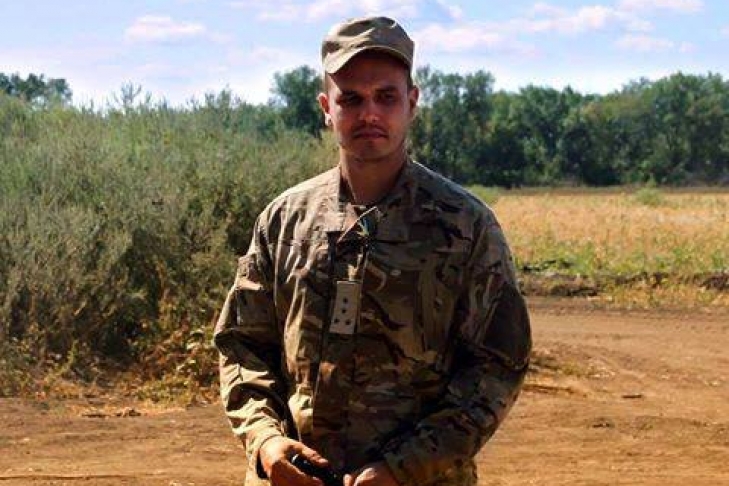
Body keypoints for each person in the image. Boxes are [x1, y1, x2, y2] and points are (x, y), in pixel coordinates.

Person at [213, 15, 531, 486]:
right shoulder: (285, 220)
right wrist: (265, 442)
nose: (369, 114)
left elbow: (496, 367)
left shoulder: (465, 226)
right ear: (326, 107)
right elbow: (243, 344)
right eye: (351, 99)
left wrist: (405, 466)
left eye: (386, 97)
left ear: (412, 102)